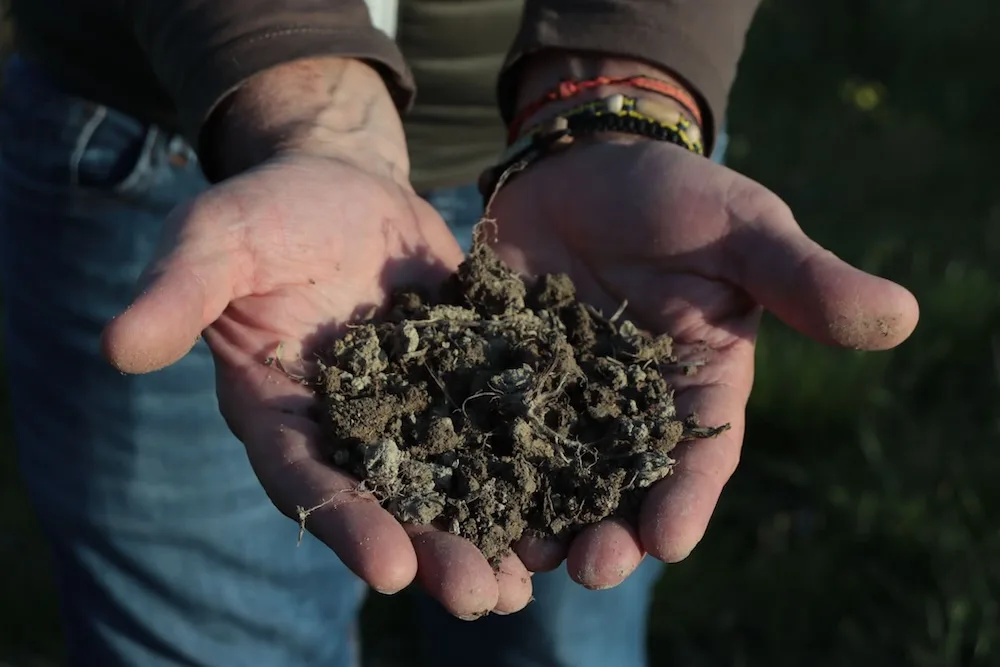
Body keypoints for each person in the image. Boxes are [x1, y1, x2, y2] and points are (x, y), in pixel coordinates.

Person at [0, 1, 920, 665]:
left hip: (608, 184)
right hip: (180, 113)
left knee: (575, 612)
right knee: (206, 635)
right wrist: (301, 99)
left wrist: (622, 75)